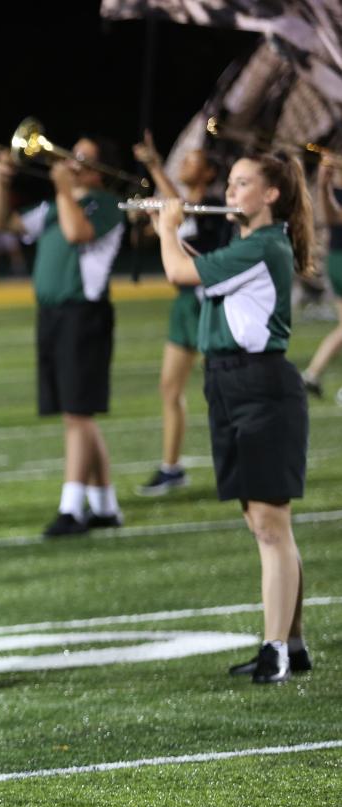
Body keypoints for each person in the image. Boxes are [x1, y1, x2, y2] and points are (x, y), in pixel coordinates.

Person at [150, 153, 315, 683]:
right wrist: (174, 232)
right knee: (262, 523)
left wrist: (166, 228)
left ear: (270, 195)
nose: (231, 189)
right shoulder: (248, 247)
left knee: (271, 525)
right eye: (231, 182)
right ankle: (292, 642)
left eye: (243, 184)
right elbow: (199, 274)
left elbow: (177, 271)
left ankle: (277, 650)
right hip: (229, 383)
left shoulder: (265, 244)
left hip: (260, 386)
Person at [0, 139, 127, 536]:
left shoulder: (105, 205)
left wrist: (65, 189)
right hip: (53, 315)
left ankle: (72, 509)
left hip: (83, 314)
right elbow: (4, 223)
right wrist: (2, 181)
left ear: (99, 172)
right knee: (77, 413)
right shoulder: (53, 206)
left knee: (77, 414)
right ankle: (105, 506)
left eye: (82, 157)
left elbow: (77, 232)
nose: (68, 159)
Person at [131, 133, 231, 496]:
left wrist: (156, 166)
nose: (185, 164)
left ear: (208, 173)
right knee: (169, 388)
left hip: (211, 303)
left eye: (192, 161)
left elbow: (182, 216)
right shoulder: (182, 205)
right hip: (185, 304)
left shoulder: (217, 207)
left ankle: (237, 460)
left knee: (223, 387)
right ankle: (171, 467)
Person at [299, 160, 342, 400]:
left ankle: (313, 372)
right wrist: (325, 186)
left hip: (336, 259)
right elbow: (333, 217)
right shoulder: (333, 191)